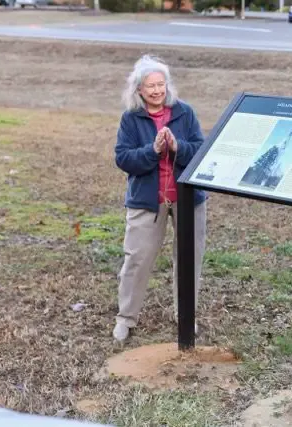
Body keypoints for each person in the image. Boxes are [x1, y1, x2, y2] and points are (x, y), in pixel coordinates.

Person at [113, 55, 207, 342]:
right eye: (149, 86)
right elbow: (123, 158)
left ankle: (185, 316)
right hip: (146, 200)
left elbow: (202, 151)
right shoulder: (131, 118)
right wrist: (152, 151)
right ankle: (126, 318)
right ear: (138, 90)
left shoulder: (185, 113)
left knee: (189, 259)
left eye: (160, 84)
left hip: (188, 199)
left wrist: (178, 146)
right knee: (137, 259)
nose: (156, 91)